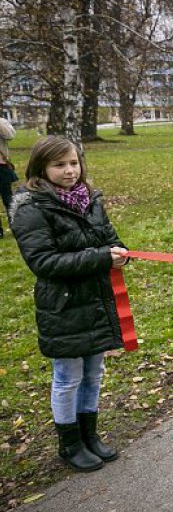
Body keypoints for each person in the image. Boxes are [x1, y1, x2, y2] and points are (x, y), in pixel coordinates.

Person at [9, 136, 129, 472]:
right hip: (63, 307)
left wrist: (119, 253)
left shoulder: (90, 200)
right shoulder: (30, 208)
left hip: (95, 301)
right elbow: (44, 262)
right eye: (60, 164)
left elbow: (110, 239)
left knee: (94, 373)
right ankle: (70, 443)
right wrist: (101, 257)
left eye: (73, 163)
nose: (69, 171)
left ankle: (90, 436)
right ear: (41, 168)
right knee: (68, 376)